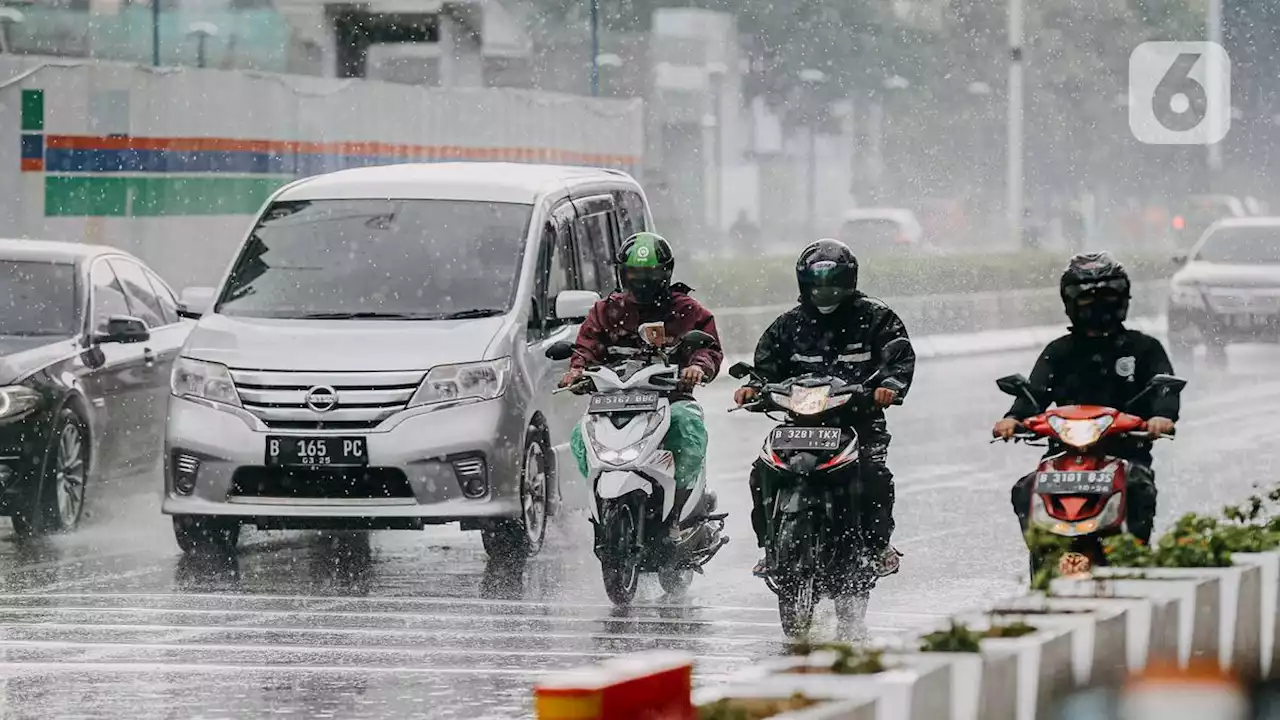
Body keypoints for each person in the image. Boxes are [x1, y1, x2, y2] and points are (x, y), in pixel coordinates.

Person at [733, 238, 914, 579]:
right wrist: (753, 386)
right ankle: (771, 548)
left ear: (849, 281)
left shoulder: (876, 318)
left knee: (874, 477)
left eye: (832, 283)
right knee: (762, 473)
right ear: (805, 283)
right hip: (799, 424)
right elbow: (766, 365)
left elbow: (898, 358)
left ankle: (877, 546)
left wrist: (888, 387)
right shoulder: (788, 325)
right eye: (817, 284)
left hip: (858, 421)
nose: (824, 291)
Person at [993, 252, 1179, 545]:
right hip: (1061, 453)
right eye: (1086, 298)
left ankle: (1134, 558)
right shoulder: (1058, 352)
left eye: (1106, 295)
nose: (1096, 304)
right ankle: (1044, 554)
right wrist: (1012, 419)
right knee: (1025, 488)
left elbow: (1164, 391)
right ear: (1069, 303)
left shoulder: (1145, 348)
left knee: (1138, 487)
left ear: (1123, 298)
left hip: (1126, 452)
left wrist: (1162, 418)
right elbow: (1035, 394)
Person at [560, 231, 724, 524]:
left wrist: (697, 367)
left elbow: (708, 347)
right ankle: (601, 498)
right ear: (622, 274)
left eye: (650, 274)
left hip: (669, 399)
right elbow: (586, 347)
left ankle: (682, 509)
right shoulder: (605, 310)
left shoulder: (686, 310)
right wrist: (576, 371)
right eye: (634, 273)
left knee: (687, 425)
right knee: (578, 437)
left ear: (666, 273)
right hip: (612, 403)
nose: (641, 281)